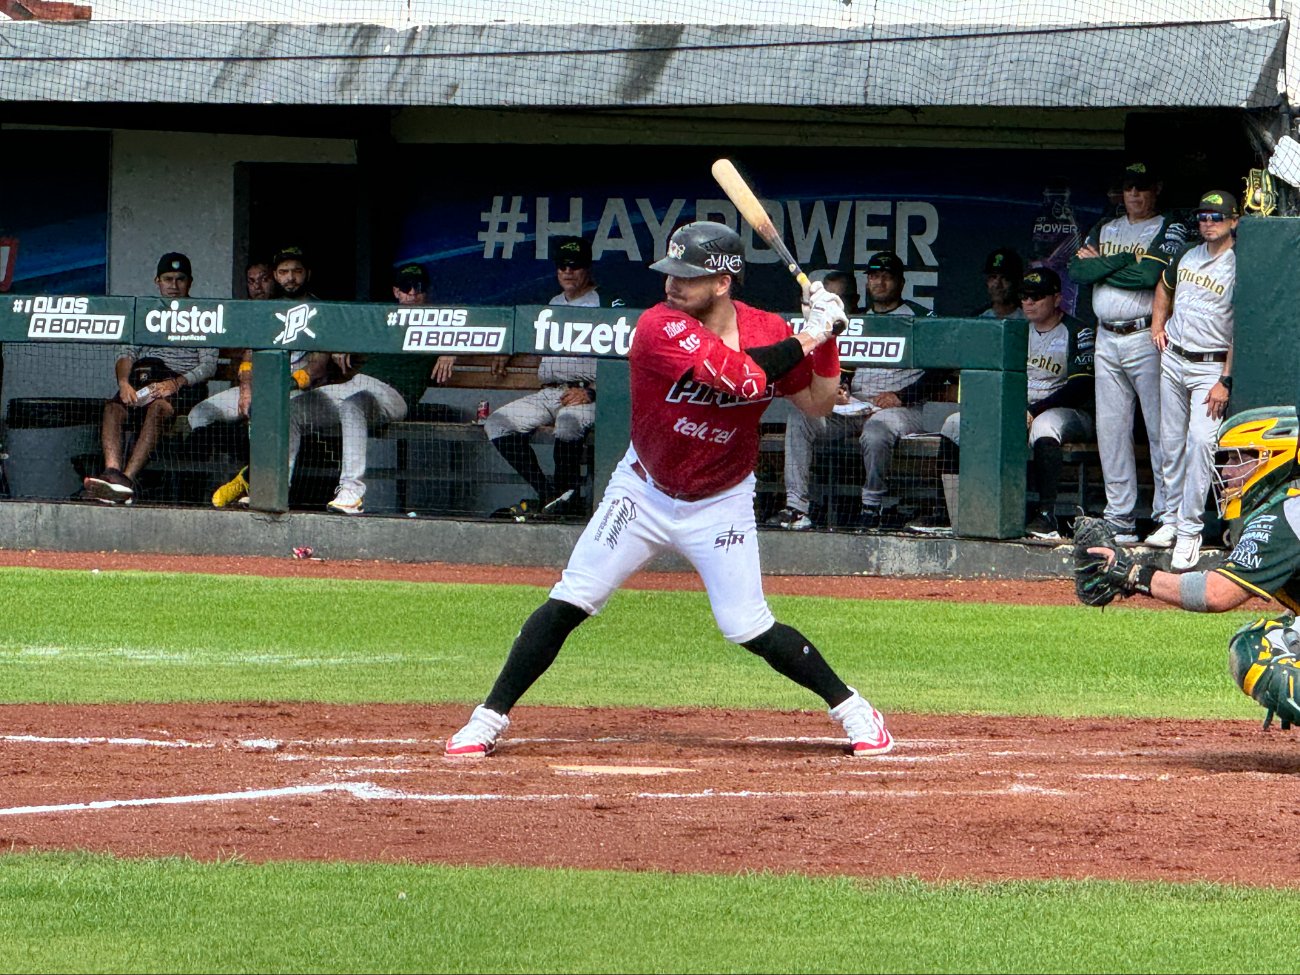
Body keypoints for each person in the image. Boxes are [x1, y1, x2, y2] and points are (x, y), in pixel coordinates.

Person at [444, 221, 894, 760]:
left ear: (723, 282)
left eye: (688, 275)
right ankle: (486, 719)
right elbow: (742, 380)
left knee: (748, 626)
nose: (671, 285)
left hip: (721, 498)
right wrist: (811, 333)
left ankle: (856, 712)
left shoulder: (768, 327)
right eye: (670, 272)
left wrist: (829, 336)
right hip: (643, 492)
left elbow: (819, 403)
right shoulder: (660, 327)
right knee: (572, 597)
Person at [1073, 405, 1300, 729]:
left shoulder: (1285, 515)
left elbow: (1215, 594)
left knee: (1260, 648)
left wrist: (1133, 574)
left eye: (1240, 458)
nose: (1229, 471)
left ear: (1276, 458)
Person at [1068, 161, 1187, 547]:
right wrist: (1122, 261)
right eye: (1129, 187)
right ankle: (1119, 516)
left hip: (1146, 336)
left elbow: (1149, 277)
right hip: (1106, 338)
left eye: (1142, 187)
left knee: (1160, 428)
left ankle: (1167, 515)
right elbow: (1076, 272)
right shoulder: (1107, 226)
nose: (1134, 194)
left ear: (1157, 188)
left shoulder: (1170, 225)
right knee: (1111, 429)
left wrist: (1103, 264)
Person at [767, 267, 930, 531]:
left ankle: (871, 507)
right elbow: (842, 368)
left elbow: (941, 370)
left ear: (901, 281)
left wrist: (902, 396)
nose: (879, 281)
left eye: (887, 275)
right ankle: (797, 508)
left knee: (877, 431)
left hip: (900, 409)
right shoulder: (854, 321)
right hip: (856, 406)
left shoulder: (920, 317)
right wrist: (839, 391)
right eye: (874, 275)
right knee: (801, 417)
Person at [938, 267, 1095, 540]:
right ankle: (947, 511)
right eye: (1024, 296)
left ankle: (1047, 515)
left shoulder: (1077, 331)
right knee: (954, 425)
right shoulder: (1013, 331)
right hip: (1017, 409)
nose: (1029, 302)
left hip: (1067, 411)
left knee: (1044, 427)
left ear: (1057, 298)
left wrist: (1033, 411)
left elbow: (1080, 386)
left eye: (1037, 296)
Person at [485, 236, 614, 521]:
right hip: (549, 393)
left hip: (584, 393)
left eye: (574, 265)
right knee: (497, 423)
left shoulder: (604, 304)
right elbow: (525, 331)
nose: (567, 271)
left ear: (587, 268)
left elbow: (625, 361)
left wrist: (593, 392)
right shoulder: (553, 302)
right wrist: (508, 348)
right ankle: (550, 495)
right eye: (562, 266)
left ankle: (566, 497)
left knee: (567, 424)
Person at [81, 253, 218, 504]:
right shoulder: (145, 312)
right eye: (168, 279)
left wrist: (176, 383)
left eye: (180, 279)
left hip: (181, 384)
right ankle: (112, 472)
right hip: (143, 378)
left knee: (158, 409)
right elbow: (126, 353)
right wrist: (123, 383)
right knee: (113, 408)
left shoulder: (203, 314)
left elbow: (209, 365)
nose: (174, 286)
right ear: (157, 280)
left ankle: (126, 481)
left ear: (190, 282)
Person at [1151, 190, 1239, 571]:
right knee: (1170, 442)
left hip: (1211, 364)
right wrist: (1157, 325)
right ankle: (1170, 520)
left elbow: (1241, 329)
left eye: (1216, 217)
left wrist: (1226, 379)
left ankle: (1189, 531)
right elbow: (1163, 287)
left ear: (1234, 222)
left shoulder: (1240, 264)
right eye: (1203, 216)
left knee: (1201, 442)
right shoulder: (1186, 254)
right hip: (1175, 358)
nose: (1208, 222)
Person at [186, 257, 281, 505]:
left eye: (264, 280)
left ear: (275, 280)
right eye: (252, 282)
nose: (258, 286)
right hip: (246, 390)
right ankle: (196, 489)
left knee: (257, 416)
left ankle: (256, 480)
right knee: (199, 414)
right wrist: (245, 389)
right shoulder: (242, 313)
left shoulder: (288, 308)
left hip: (282, 392)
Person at [392, 262, 455, 385]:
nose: (412, 293)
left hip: (399, 393)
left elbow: (471, 331)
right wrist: (345, 344)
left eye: (419, 287)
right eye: (406, 287)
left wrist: (453, 350)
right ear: (396, 292)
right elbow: (358, 332)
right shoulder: (381, 318)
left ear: (427, 291)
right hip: (364, 381)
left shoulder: (440, 321)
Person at [975, 247, 1026, 319]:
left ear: (1018, 282)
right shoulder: (977, 318)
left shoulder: (1031, 319)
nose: (997, 284)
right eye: (993, 277)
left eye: (1005, 278)